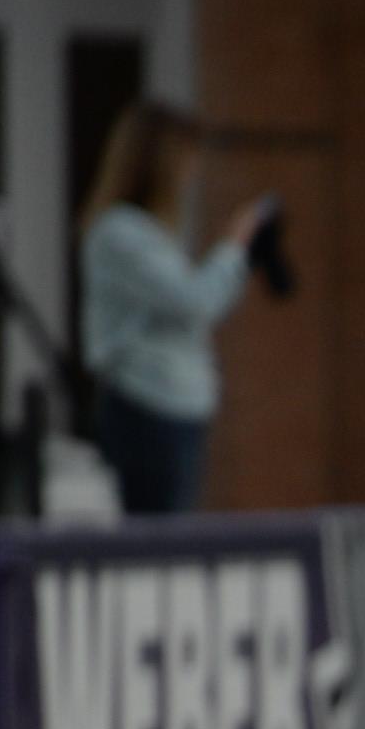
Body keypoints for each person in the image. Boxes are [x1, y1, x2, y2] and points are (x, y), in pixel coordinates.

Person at [77, 100, 272, 515]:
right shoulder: (121, 232)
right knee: (158, 534)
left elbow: (203, 303)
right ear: (160, 163)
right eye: (187, 161)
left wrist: (242, 260)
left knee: (178, 525)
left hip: (180, 403)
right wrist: (233, 245)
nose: (192, 175)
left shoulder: (152, 234)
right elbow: (195, 301)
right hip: (146, 402)